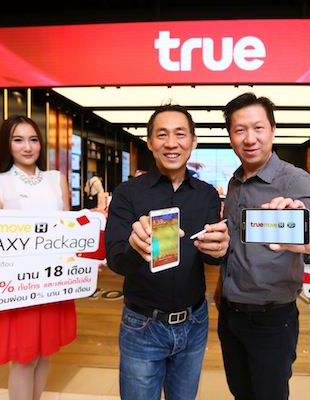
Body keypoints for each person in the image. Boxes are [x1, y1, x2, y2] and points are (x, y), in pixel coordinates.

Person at [214, 92, 310, 400]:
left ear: (273, 130)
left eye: (258, 128)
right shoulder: (235, 182)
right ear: (231, 136)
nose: (250, 138)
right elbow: (235, 245)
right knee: (240, 391)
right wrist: (222, 284)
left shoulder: (294, 181)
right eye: (240, 130)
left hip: (271, 319)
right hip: (230, 313)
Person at [104, 104, 229, 400]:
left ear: (193, 141)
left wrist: (221, 249)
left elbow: (210, 256)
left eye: (180, 134)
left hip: (195, 322)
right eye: (162, 135)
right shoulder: (127, 193)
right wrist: (135, 248)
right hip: (141, 326)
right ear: (149, 142)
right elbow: (116, 260)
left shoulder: (207, 195)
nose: (171, 143)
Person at [0, 115, 76, 400]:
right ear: (6, 144)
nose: (27, 147)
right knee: (25, 358)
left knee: (45, 353)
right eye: (18, 140)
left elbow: (69, 229)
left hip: (53, 279)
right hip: (17, 284)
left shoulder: (56, 179)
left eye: (33, 139)